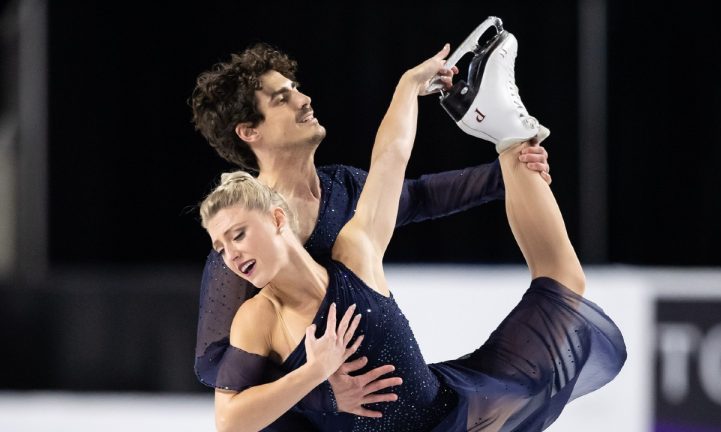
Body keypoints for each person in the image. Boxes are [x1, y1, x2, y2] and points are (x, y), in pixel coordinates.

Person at [199, 44, 626, 431]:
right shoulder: (246, 267)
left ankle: (505, 128)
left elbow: (407, 182)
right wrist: (320, 391)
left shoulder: (346, 206)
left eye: (295, 89)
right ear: (248, 131)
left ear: (278, 219)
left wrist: (510, 170)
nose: (304, 99)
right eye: (281, 98)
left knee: (563, 282)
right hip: (315, 420)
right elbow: (231, 390)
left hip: (433, 405)